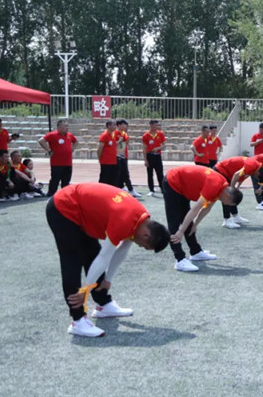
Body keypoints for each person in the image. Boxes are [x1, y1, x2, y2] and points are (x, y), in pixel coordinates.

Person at [46, 183, 170, 337]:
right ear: (146, 235)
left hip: (81, 211)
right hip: (62, 207)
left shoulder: (141, 220)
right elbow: (105, 257)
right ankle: (77, 321)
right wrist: (85, 290)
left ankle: (103, 305)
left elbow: (122, 251)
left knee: (92, 253)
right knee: (72, 261)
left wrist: (108, 279)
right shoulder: (125, 220)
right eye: (144, 246)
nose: (140, 246)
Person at [163, 165, 242, 272]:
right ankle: (179, 259)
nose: (225, 204)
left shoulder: (222, 188)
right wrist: (181, 231)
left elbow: (207, 208)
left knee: (188, 221)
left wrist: (195, 224)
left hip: (183, 186)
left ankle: (195, 252)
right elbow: (195, 209)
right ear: (228, 197)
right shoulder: (214, 186)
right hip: (172, 181)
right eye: (228, 203)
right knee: (174, 222)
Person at [213, 156, 263, 228]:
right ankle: (227, 220)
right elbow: (236, 175)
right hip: (220, 170)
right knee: (228, 196)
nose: (255, 178)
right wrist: (232, 190)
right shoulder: (252, 166)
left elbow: (243, 176)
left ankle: (235, 216)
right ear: (258, 174)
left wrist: (238, 186)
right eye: (257, 178)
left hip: (227, 173)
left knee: (233, 196)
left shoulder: (255, 167)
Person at [39, 119, 78, 197]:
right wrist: (49, 150)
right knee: (55, 180)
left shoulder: (69, 135)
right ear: (59, 127)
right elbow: (41, 141)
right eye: (65, 126)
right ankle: (51, 194)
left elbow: (76, 141)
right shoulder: (52, 135)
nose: (67, 128)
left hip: (68, 163)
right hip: (56, 163)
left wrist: (72, 148)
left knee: (66, 181)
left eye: (67, 126)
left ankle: (65, 195)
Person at [115, 120, 140, 198]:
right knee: (120, 174)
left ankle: (123, 187)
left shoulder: (124, 134)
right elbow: (113, 144)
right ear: (119, 125)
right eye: (124, 125)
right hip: (117, 156)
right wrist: (119, 141)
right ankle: (130, 189)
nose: (126, 127)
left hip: (124, 156)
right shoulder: (115, 133)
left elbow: (127, 144)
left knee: (124, 173)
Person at [142, 120, 166, 197]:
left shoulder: (160, 134)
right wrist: (145, 159)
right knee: (150, 174)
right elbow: (144, 148)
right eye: (155, 125)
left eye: (157, 125)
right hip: (149, 155)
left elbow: (164, 145)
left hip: (157, 155)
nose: (157, 127)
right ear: (151, 125)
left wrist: (158, 148)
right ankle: (151, 189)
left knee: (160, 173)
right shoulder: (146, 135)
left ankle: (163, 188)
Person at [97, 120, 120, 187]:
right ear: (109, 126)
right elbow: (100, 148)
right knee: (104, 178)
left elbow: (113, 144)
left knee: (112, 179)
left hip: (113, 161)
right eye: (114, 125)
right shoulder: (104, 135)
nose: (115, 127)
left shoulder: (113, 134)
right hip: (106, 161)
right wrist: (100, 158)